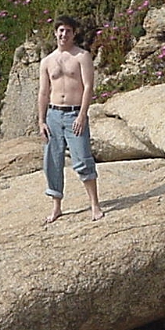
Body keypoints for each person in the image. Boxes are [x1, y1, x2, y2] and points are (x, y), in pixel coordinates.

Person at [38, 15, 104, 224]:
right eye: (60, 30)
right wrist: (41, 121)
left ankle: (95, 205)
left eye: (68, 30)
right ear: (55, 33)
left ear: (74, 33)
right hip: (53, 115)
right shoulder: (47, 61)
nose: (63, 34)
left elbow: (88, 87)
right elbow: (43, 92)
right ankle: (56, 207)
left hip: (75, 113)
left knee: (83, 159)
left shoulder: (82, 57)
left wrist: (82, 115)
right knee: (52, 162)